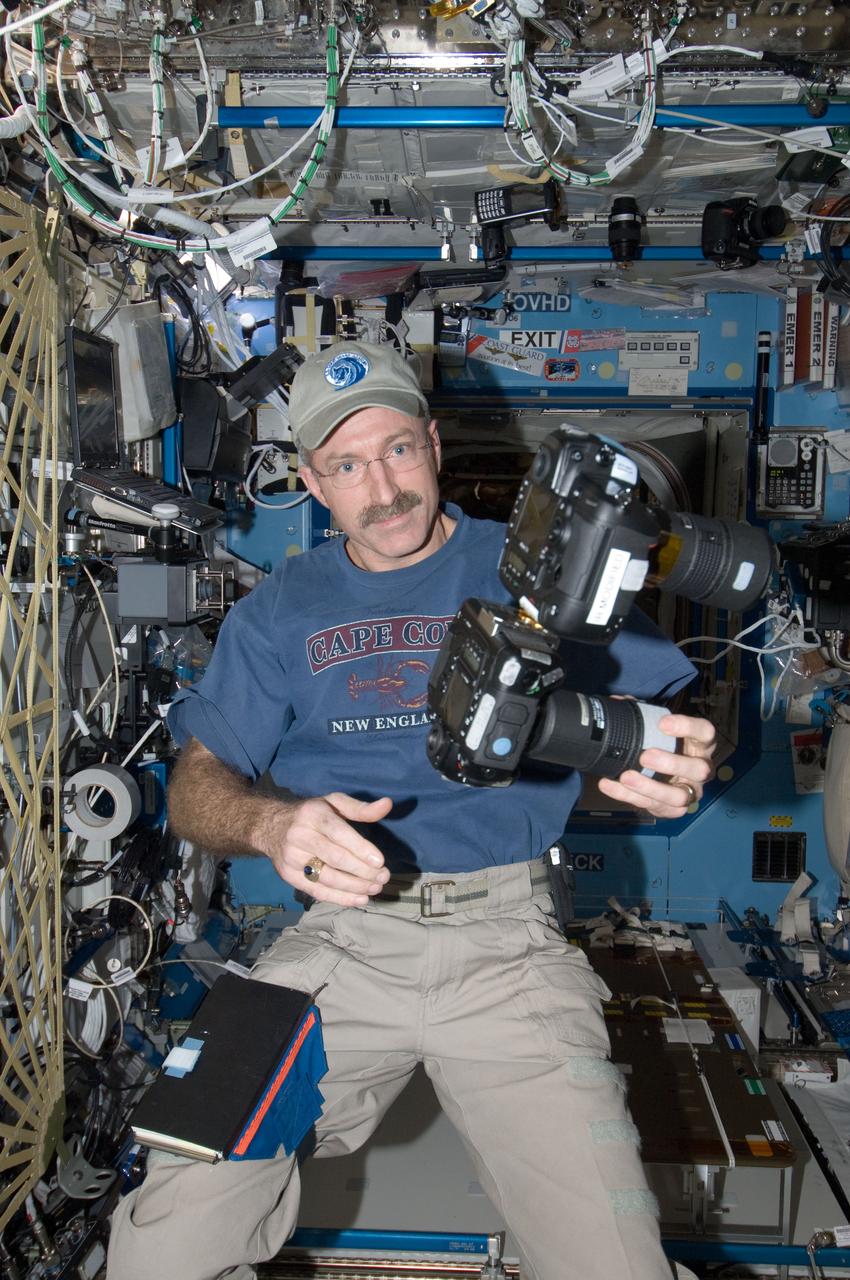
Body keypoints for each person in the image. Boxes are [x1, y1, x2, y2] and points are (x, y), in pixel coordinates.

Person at [107, 340, 715, 1280]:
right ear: (312, 480)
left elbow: (663, 723)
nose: (381, 488)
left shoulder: (534, 574)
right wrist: (274, 824)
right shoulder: (279, 611)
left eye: (396, 451)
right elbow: (195, 787)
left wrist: (671, 760)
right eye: (347, 466)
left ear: (433, 446)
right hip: (341, 950)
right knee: (163, 1246)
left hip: (510, 953)